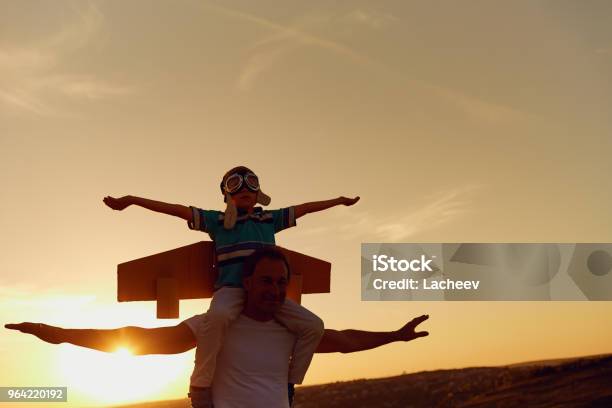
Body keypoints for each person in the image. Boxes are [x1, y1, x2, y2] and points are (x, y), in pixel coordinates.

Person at [6, 248, 429, 408]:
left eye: (281, 282)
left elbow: (344, 340)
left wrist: (395, 335)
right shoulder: (214, 326)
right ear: (245, 283)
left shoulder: (292, 331)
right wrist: (61, 333)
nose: (275, 289)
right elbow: (141, 340)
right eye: (266, 280)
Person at [103, 166, 360, 405]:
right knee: (217, 317)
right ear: (226, 193)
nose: (244, 189)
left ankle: (290, 382)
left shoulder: (270, 219)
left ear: (259, 193)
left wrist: (337, 201)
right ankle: (200, 385)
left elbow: (304, 208)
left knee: (313, 325)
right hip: (232, 291)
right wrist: (134, 200)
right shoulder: (216, 221)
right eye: (235, 183)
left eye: (251, 183)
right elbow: (177, 210)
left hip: (267, 293)